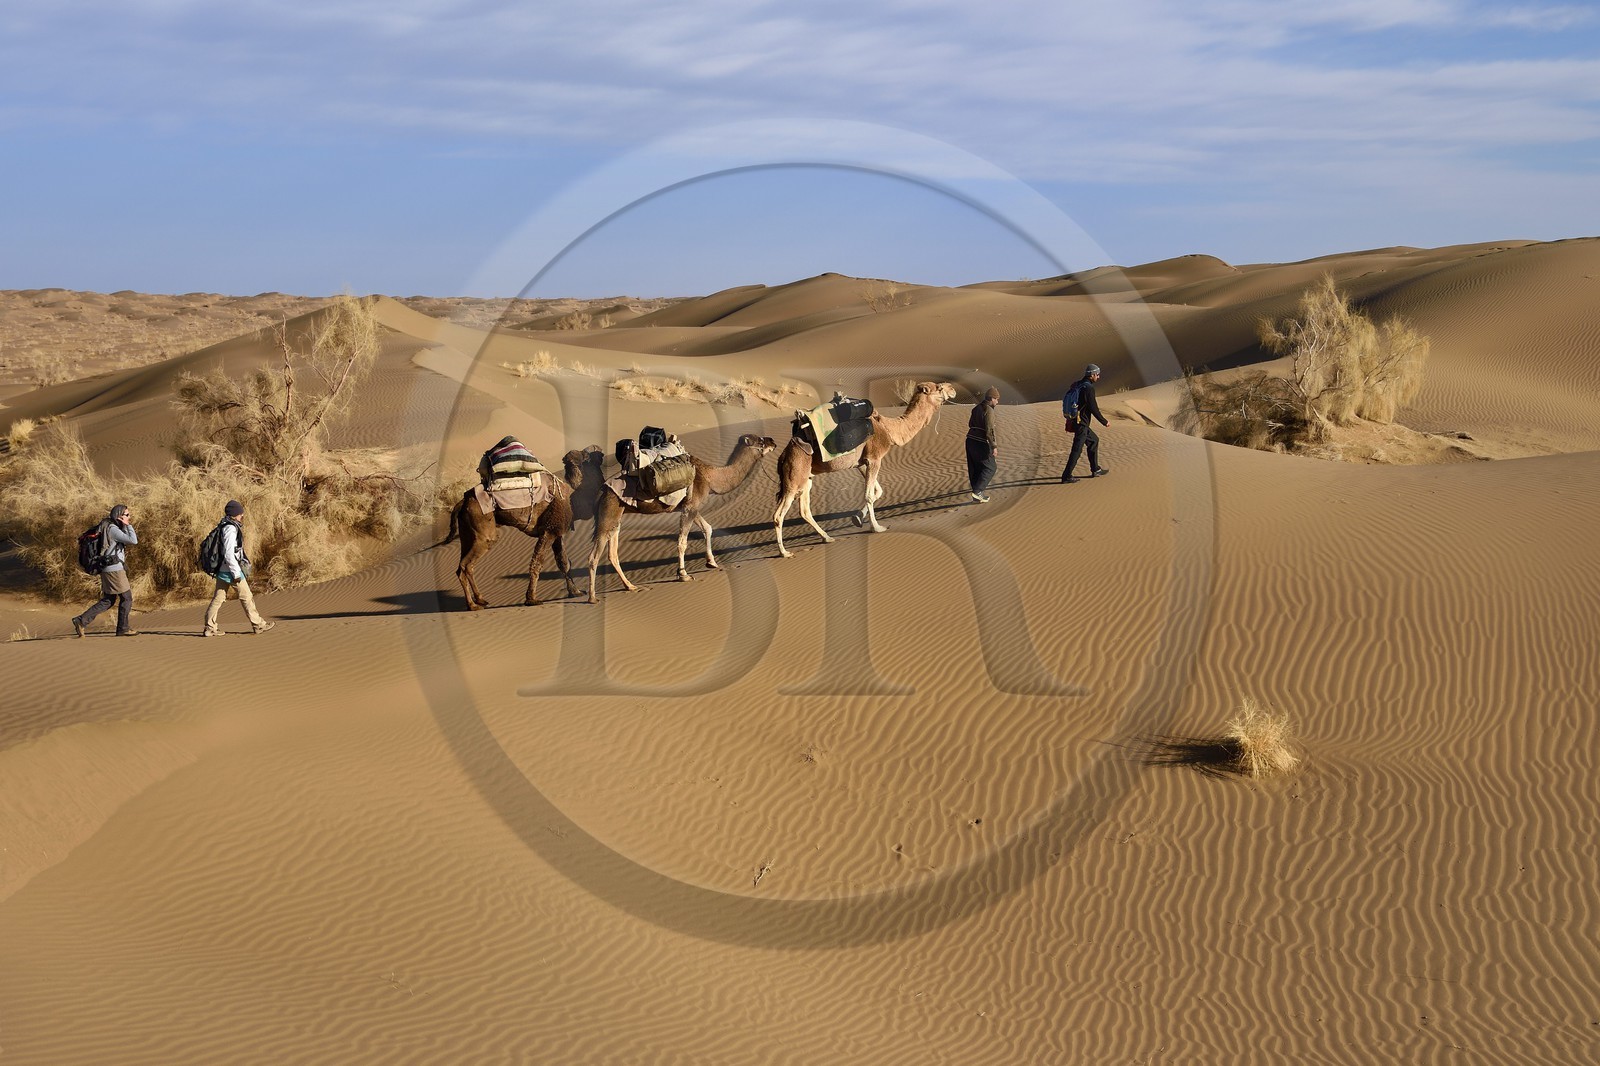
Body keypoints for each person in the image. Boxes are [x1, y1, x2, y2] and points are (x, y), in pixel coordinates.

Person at [201, 499, 274, 636]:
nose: (242, 516)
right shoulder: (230, 528)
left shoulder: (224, 525)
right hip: (230, 571)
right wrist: (236, 573)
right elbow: (229, 553)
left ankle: (210, 628)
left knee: (218, 598)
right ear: (235, 514)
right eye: (240, 513)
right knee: (247, 596)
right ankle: (258, 625)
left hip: (223, 570)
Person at [71, 503, 139, 637]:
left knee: (109, 599)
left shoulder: (108, 526)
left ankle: (81, 620)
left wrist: (124, 525)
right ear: (119, 516)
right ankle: (123, 628)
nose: (129, 517)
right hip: (114, 570)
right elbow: (133, 540)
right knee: (127, 598)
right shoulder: (113, 529)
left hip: (108, 568)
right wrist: (128, 525)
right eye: (126, 514)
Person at [1061, 363, 1111, 484]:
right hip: (1081, 423)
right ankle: (1066, 476)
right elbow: (1093, 408)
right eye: (1097, 375)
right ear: (1092, 375)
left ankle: (1095, 469)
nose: (1098, 377)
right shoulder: (1088, 388)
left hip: (1078, 421)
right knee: (1076, 450)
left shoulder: (1079, 384)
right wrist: (1104, 422)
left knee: (1094, 440)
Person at [966, 386, 1000, 502]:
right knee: (991, 467)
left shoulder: (976, 409)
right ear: (991, 399)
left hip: (970, 440)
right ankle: (978, 491)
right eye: (996, 399)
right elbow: (989, 430)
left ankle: (977, 494)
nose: (997, 401)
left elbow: (970, 424)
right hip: (980, 441)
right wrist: (994, 446)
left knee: (976, 467)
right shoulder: (989, 410)